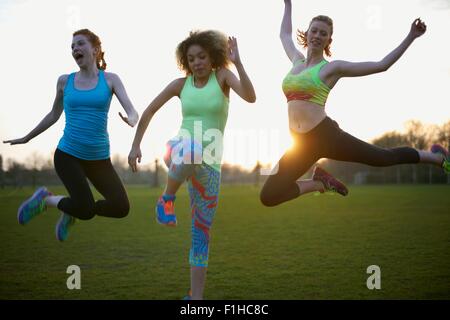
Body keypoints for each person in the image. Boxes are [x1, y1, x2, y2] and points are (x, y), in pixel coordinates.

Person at [260, 0, 449, 207]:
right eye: (314, 31)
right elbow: (284, 35)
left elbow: (381, 65)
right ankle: (319, 183)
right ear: (307, 33)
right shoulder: (295, 61)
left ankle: (436, 157)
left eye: (323, 33)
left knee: (383, 157)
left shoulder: (331, 69)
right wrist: (288, 4)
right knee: (269, 195)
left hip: (324, 136)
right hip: (300, 145)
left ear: (328, 40)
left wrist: (411, 36)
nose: (317, 36)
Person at [128, 30, 256, 300]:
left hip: (210, 168)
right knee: (193, 149)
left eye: (202, 57)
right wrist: (136, 144)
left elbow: (250, 96)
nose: (197, 62)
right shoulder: (180, 84)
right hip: (178, 151)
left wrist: (239, 64)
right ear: (185, 62)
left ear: (213, 57)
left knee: (201, 233)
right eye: (191, 58)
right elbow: (150, 110)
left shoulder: (222, 77)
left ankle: (195, 298)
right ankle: (166, 199)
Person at [4, 29, 139, 241]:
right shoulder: (64, 81)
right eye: (72, 46)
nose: (75, 48)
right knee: (85, 210)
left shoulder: (111, 79)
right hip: (69, 155)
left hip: (99, 159)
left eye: (80, 44)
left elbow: (132, 111)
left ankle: (71, 209)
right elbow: (53, 114)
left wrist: (132, 119)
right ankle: (46, 200)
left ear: (95, 50)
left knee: (121, 208)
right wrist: (27, 137)